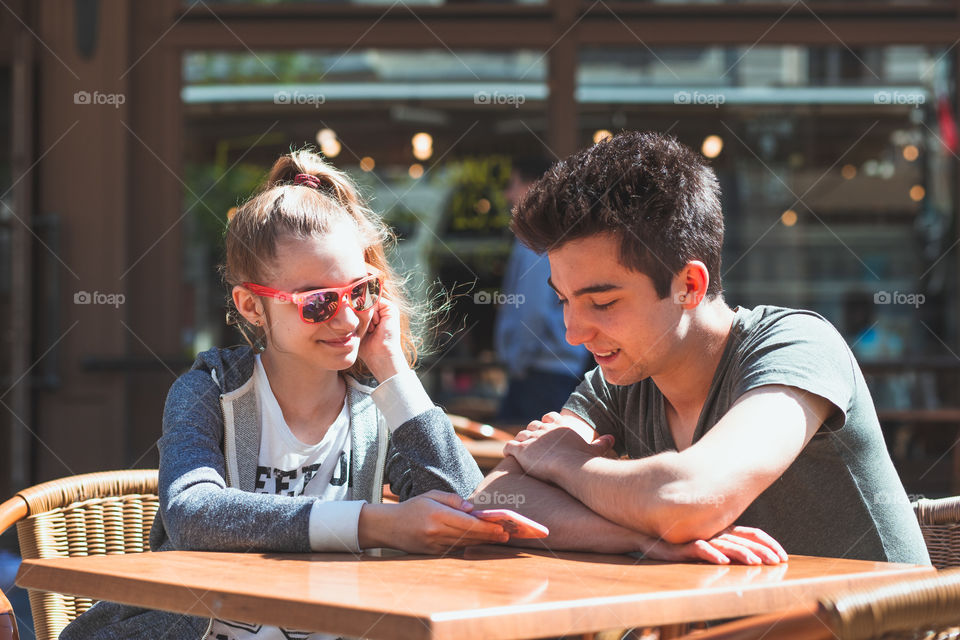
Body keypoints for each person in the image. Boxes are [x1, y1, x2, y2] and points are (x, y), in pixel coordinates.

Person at [61, 150, 510, 640]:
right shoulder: (209, 393)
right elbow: (192, 513)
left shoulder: (375, 408)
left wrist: (395, 371)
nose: (346, 320)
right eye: (318, 302)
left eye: (359, 292)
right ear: (251, 306)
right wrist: (377, 524)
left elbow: (464, 506)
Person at [474, 131, 930, 566]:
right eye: (562, 301)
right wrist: (644, 536)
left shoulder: (797, 346)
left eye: (603, 302)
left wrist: (567, 462)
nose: (574, 333)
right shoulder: (620, 379)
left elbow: (688, 500)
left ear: (688, 285)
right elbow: (496, 500)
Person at [495, 158, 590, 422]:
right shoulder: (563, 233)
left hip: (539, 374)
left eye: (514, 184)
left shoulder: (535, 240)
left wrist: (517, 361)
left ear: (535, 187)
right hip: (555, 368)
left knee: (527, 456)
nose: (508, 194)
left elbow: (531, 309)